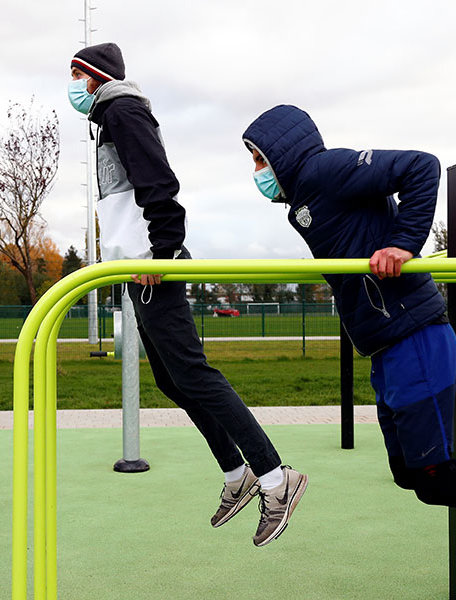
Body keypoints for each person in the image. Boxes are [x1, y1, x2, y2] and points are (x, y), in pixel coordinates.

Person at [241, 104, 456, 592]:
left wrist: (404, 243)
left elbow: (421, 165)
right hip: (389, 345)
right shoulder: (304, 201)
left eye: (260, 159)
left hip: (414, 335)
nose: (256, 172)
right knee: (414, 475)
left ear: (284, 152)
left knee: (431, 473)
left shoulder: (324, 170)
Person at [67, 44, 307, 546]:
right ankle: (236, 475)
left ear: (95, 77)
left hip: (152, 265)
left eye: (75, 74)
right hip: (136, 268)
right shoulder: (108, 119)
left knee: (194, 374)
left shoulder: (122, 110)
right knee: (174, 382)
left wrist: (163, 250)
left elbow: (159, 183)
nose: (72, 85)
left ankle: (275, 479)